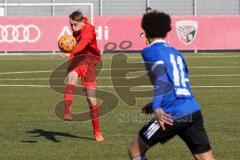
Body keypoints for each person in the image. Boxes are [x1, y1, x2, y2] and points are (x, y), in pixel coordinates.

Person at [128, 12, 215, 160]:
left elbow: (161, 78)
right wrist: (158, 102)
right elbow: (180, 82)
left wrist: (157, 106)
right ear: (166, 31)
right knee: (204, 157)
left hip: (171, 114)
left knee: (135, 150)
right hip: (192, 109)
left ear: (146, 30)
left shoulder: (149, 51)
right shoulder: (176, 53)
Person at [61, 10, 104, 142]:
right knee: (72, 78)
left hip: (89, 61)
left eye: (74, 25)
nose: (72, 28)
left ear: (81, 23)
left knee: (91, 99)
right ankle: (67, 111)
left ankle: (97, 132)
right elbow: (76, 43)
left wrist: (71, 52)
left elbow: (83, 44)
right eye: (70, 24)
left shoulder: (88, 31)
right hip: (76, 59)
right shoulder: (80, 22)